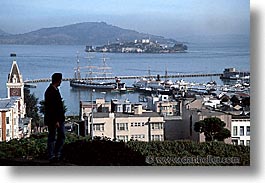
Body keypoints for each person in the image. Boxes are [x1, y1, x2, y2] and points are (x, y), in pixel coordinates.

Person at [44, 73, 65, 163]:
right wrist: (56, 120)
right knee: (54, 136)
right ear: (58, 80)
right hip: (55, 119)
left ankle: (56, 153)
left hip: (58, 119)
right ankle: (53, 154)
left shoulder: (54, 90)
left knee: (59, 136)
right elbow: (52, 107)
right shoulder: (51, 91)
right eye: (60, 80)